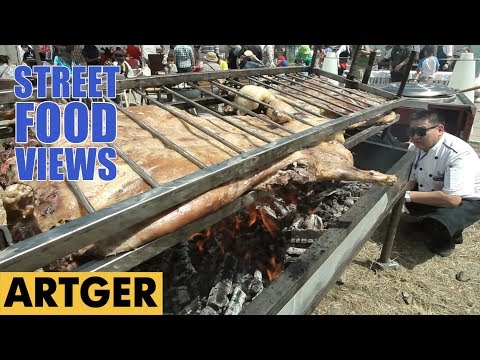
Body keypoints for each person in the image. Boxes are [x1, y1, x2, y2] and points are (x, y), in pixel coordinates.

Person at [404, 109, 480, 257]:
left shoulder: (457, 154)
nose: (414, 137)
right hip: (438, 192)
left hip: (468, 199)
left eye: (420, 132)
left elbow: (452, 199)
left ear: (439, 129)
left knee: (443, 220)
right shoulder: (417, 147)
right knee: (411, 204)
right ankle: (430, 222)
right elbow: (412, 180)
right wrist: (399, 194)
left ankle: (449, 237)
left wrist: (406, 195)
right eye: (411, 131)